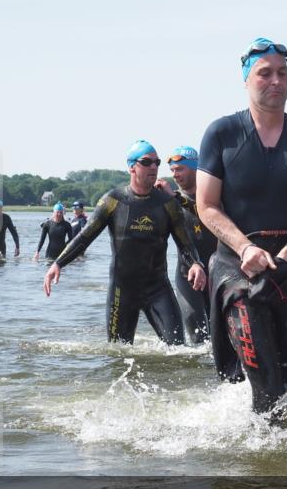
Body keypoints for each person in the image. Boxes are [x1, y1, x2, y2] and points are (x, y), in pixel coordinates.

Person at [197, 37, 287, 416]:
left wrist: (285, 260)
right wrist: (245, 249)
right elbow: (205, 206)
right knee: (267, 389)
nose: (276, 81)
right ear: (246, 80)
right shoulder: (222, 133)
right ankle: (260, 473)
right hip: (237, 270)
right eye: (265, 73)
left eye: (283, 73)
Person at [43, 140, 206, 345]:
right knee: (118, 354)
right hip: (122, 291)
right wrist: (58, 263)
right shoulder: (113, 200)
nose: (154, 167)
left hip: (158, 288)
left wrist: (196, 264)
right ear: (131, 167)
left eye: (156, 162)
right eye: (147, 162)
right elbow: (84, 237)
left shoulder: (167, 204)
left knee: (178, 352)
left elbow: (185, 243)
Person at [155, 146, 215, 345]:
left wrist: (175, 197)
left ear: (196, 168)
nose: (175, 175)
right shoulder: (170, 201)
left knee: (222, 336)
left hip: (218, 274)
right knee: (198, 338)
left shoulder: (214, 197)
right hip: (187, 275)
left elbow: (205, 213)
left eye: (179, 169)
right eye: (172, 170)